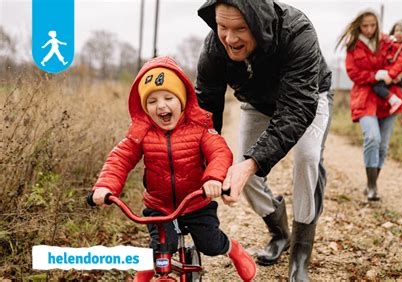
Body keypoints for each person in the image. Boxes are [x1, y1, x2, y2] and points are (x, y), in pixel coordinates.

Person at [195, 1, 332, 280]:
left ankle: (301, 254)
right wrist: (203, 165)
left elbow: (296, 109)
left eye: (240, 29)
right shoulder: (213, 49)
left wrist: (252, 163)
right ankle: (280, 233)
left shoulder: (297, 31)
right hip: (256, 103)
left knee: (306, 159)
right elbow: (205, 115)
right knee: (242, 169)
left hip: (308, 98)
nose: (230, 39)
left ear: (258, 23)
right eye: (222, 27)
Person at [90, 56, 256, 282]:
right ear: (144, 107)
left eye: (169, 98)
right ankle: (147, 272)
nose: (161, 106)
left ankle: (233, 249)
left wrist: (214, 178)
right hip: (160, 206)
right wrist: (105, 187)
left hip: (197, 201)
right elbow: (119, 159)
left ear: (183, 100)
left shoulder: (199, 128)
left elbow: (220, 152)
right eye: (152, 101)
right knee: (160, 248)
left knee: (210, 243)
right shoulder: (141, 134)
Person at [336, 10, 402, 201]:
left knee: (383, 146)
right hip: (365, 98)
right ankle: (371, 187)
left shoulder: (387, 40)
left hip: (389, 99)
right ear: (359, 26)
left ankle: (373, 183)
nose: (369, 29)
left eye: (373, 25)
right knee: (372, 138)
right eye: (365, 26)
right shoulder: (353, 46)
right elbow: (353, 74)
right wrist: (376, 75)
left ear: (377, 24)